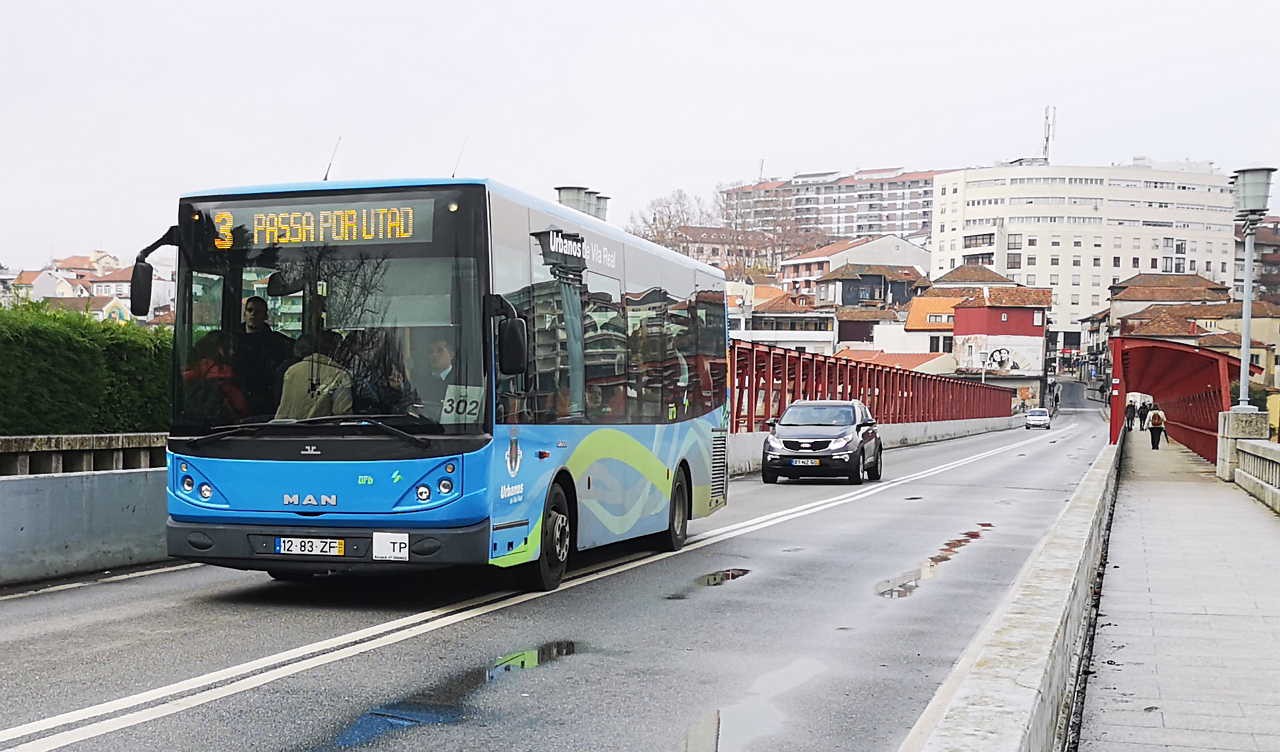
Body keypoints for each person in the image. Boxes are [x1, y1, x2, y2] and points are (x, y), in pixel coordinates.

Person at [235, 296, 294, 418]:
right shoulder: (232, 341)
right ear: (244, 314)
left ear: (265, 316)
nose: (253, 314)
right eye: (249, 310)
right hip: (237, 402)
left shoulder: (278, 342)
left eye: (258, 312)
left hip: (267, 402)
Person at [275, 331, 353, 420]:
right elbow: (342, 413)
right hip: (323, 431)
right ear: (335, 350)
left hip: (291, 430)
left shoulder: (292, 370)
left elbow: (284, 408)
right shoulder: (340, 375)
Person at [183, 331, 248, 424]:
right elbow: (240, 406)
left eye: (233, 348)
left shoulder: (202, 366)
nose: (232, 352)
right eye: (228, 348)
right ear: (218, 348)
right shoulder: (209, 367)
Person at [419, 337, 455, 418]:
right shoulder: (420, 382)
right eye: (430, 352)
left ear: (451, 354)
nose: (434, 355)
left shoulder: (461, 380)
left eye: (440, 350)